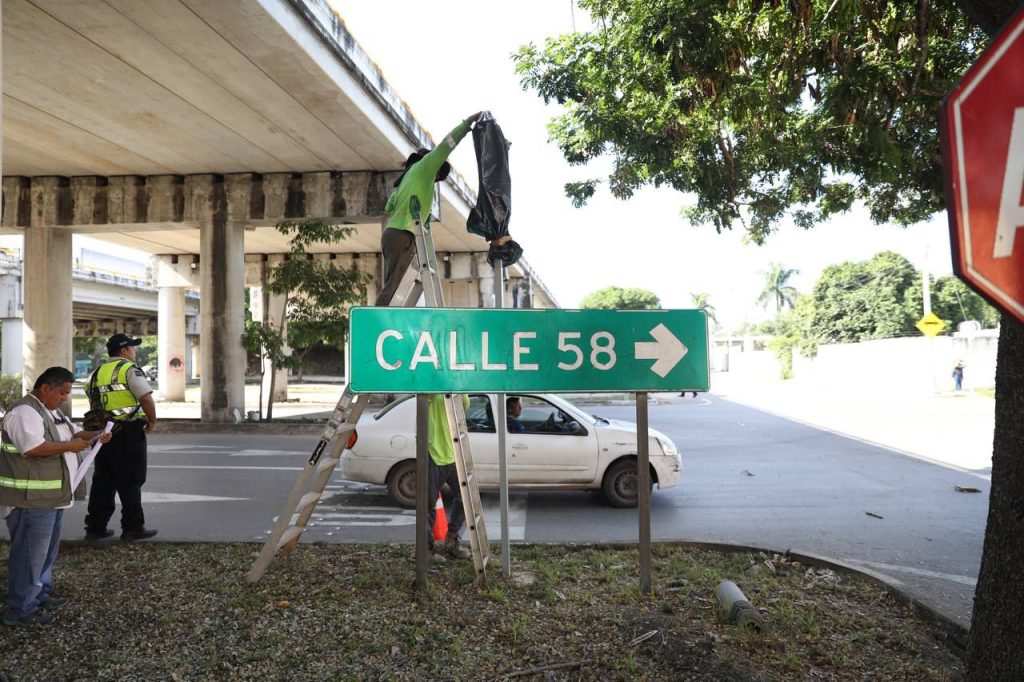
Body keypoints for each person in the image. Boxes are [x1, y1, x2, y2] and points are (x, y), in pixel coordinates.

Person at [1, 366, 111, 626]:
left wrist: (96, 436)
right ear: (45, 388)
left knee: (45, 553)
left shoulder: (51, 411)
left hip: (51, 497)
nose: (65, 397)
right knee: (29, 555)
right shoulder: (24, 413)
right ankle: (21, 610)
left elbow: (73, 433)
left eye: (68, 393)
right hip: (30, 500)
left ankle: (39, 595)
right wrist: (70, 446)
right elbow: (33, 447)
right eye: (61, 392)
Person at [374, 112, 484, 306]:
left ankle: (381, 321)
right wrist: (467, 124)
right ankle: (375, 325)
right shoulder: (425, 168)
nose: (435, 180)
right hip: (403, 235)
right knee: (394, 289)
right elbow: (445, 146)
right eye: (437, 175)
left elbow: (389, 206)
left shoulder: (405, 180)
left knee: (395, 285)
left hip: (392, 234)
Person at [83, 334, 158, 542]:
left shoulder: (96, 373)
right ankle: (133, 527)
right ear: (124, 351)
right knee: (131, 480)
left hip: (102, 433)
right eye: (132, 348)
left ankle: (95, 528)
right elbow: (145, 398)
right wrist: (152, 421)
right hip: (127, 432)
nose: (134, 352)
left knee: (103, 481)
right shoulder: (128, 369)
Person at [427, 394, 471, 560]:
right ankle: (427, 551)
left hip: (454, 454)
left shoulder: (457, 386)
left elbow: (464, 405)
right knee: (428, 505)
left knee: (465, 499)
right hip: (432, 452)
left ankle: (452, 540)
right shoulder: (428, 384)